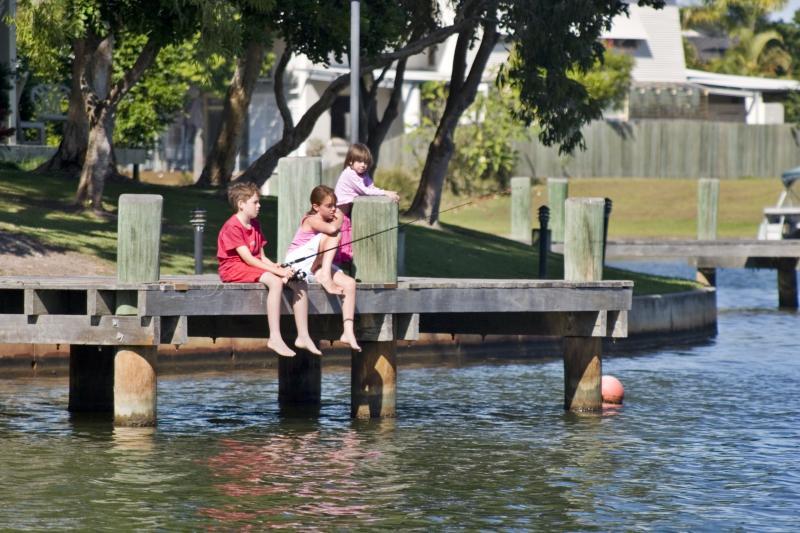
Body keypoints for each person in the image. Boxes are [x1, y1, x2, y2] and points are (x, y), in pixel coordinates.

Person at [217, 182, 321, 358]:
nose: (259, 205)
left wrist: (278, 266)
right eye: (255, 202)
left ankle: (303, 335)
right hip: (233, 268)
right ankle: (274, 337)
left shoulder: (255, 224)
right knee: (274, 281)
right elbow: (247, 258)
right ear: (241, 204)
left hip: (251, 265)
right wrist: (276, 273)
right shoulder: (232, 226)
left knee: (297, 280)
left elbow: (260, 256)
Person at [284, 185, 361, 352]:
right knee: (334, 234)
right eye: (329, 206)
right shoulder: (310, 219)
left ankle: (348, 331)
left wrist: (336, 216)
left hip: (316, 264)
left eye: (335, 205)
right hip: (298, 262)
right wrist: (340, 216)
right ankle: (325, 276)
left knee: (349, 283)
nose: (334, 209)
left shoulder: (326, 219)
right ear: (316, 207)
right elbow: (333, 229)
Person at [333, 143, 400, 266]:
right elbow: (366, 191)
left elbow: (370, 187)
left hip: (348, 212)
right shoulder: (349, 174)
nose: (363, 165)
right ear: (350, 162)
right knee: (343, 233)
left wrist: (383, 193)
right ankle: (343, 258)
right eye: (359, 161)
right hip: (340, 212)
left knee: (350, 230)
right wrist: (386, 192)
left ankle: (346, 257)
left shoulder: (363, 174)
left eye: (366, 162)